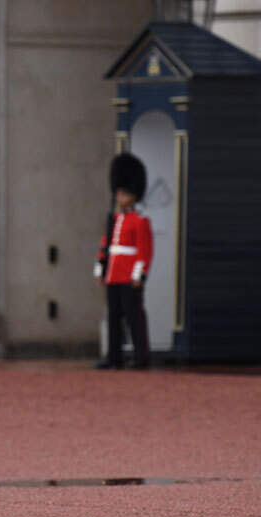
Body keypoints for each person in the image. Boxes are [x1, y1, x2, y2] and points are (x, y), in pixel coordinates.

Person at [93, 152, 153, 370]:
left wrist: (139, 274)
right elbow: (105, 244)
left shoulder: (140, 221)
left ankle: (140, 356)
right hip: (113, 274)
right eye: (118, 192)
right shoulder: (114, 219)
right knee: (113, 317)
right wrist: (100, 267)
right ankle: (114, 356)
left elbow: (144, 251)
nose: (119, 196)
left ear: (133, 195)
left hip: (128, 274)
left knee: (133, 316)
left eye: (123, 193)